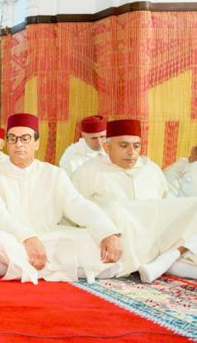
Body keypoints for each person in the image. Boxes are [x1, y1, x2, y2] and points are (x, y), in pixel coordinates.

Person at [0, 113, 123, 284]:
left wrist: (107, 230)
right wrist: (27, 237)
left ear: (37, 143)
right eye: (13, 139)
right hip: (14, 238)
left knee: (89, 237)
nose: (19, 144)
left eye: (25, 138)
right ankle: (66, 270)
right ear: (7, 144)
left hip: (48, 237)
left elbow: (78, 205)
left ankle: (13, 267)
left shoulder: (54, 174)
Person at [71, 119, 197, 282]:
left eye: (136, 146)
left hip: (155, 240)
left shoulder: (151, 170)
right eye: (124, 146)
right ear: (107, 147)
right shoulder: (88, 171)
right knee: (114, 208)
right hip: (117, 244)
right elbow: (73, 212)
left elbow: (164, 207)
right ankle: (166, 262)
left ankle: (168, 258)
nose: (131, 152)